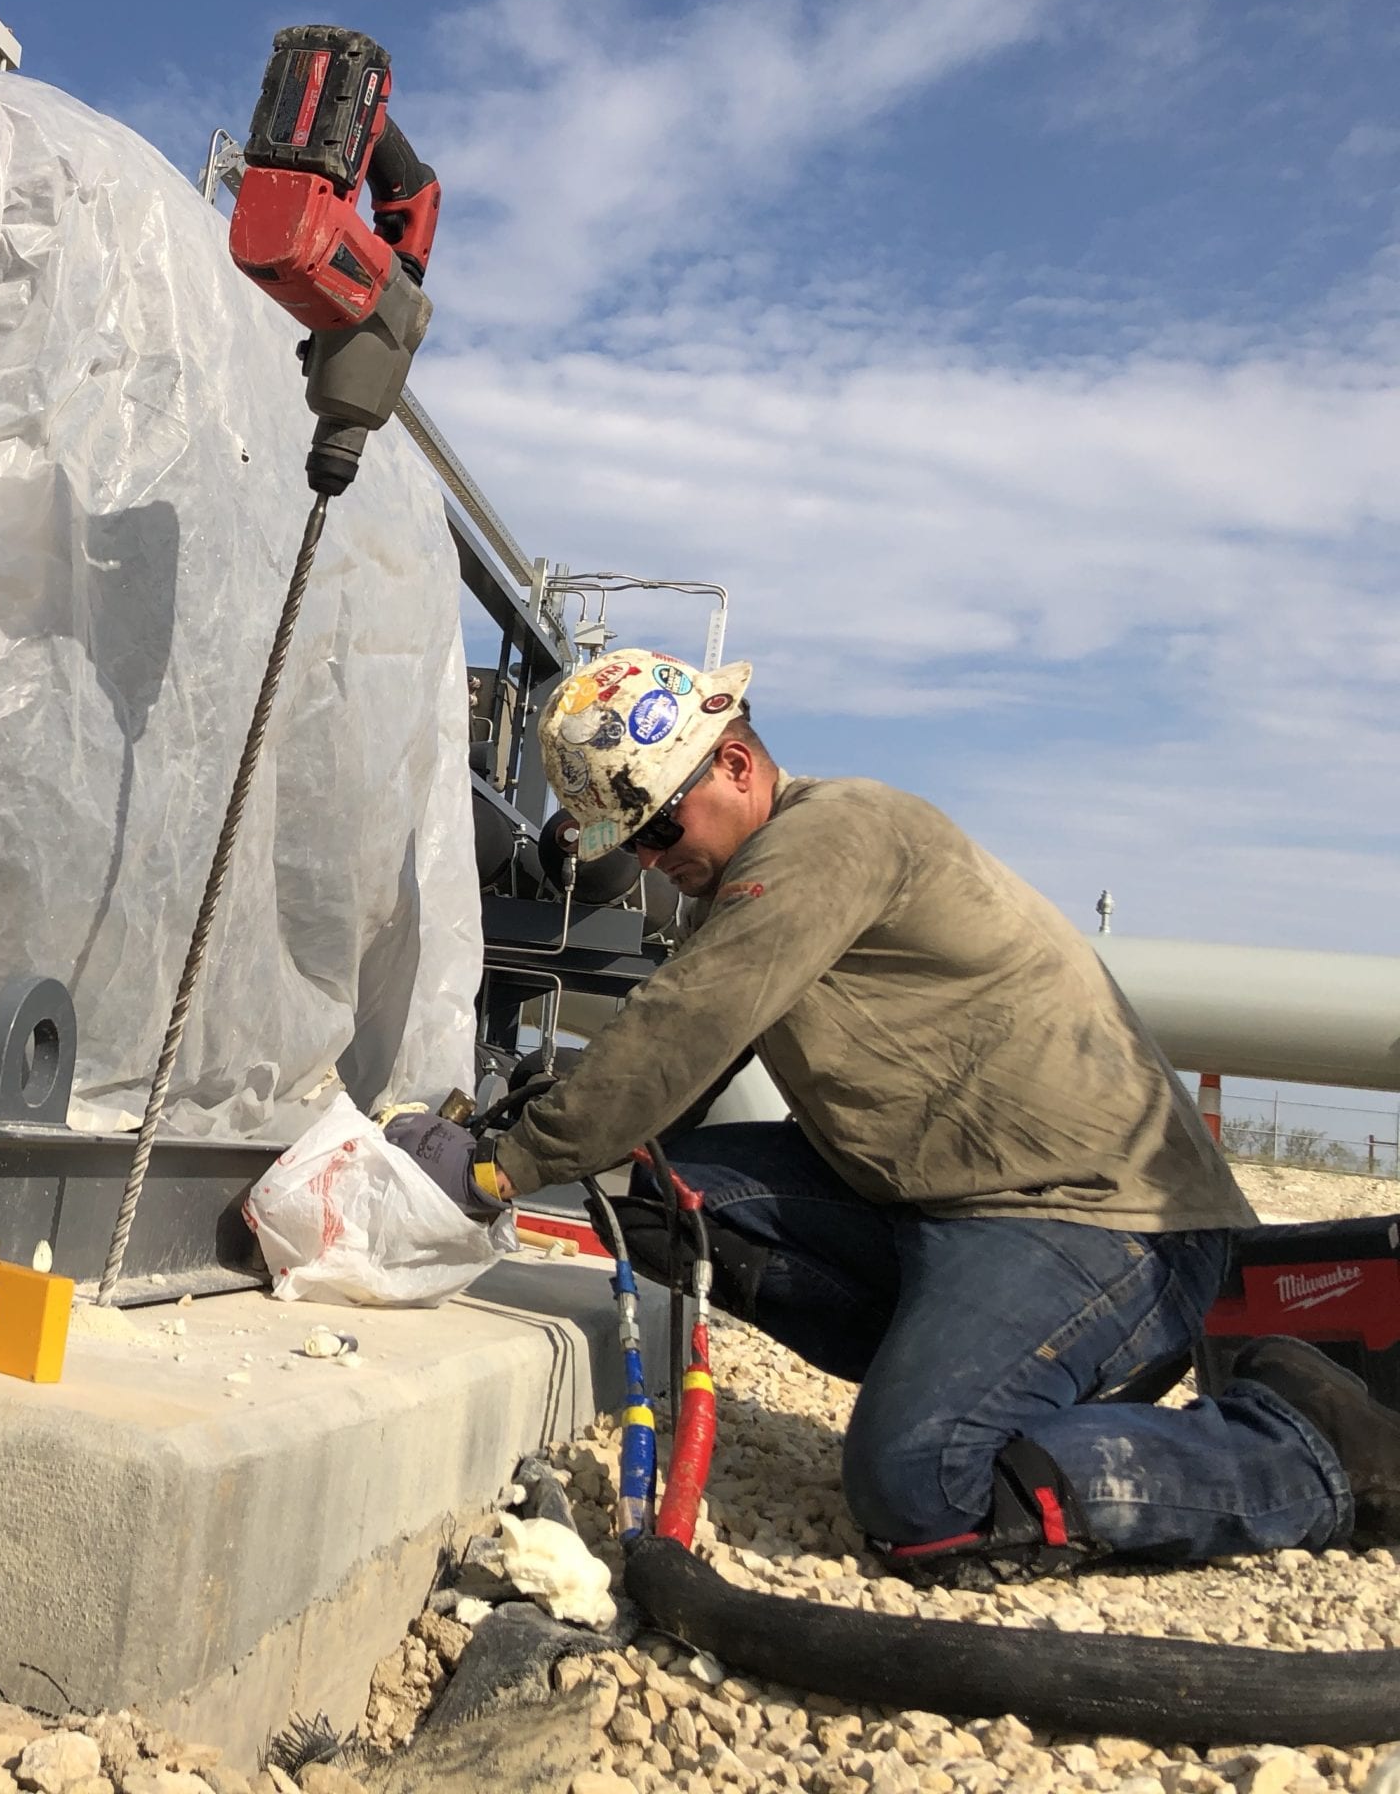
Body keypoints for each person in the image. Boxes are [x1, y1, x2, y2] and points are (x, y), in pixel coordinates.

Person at [476, 646, 1398, 1581]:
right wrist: (555, 1136)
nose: (654, 859)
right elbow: (689, 1070)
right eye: (633, 843)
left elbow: (686, 1022)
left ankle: (1303, 1447)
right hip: (951, 1203)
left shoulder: (829, 837)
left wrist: (495, 1168)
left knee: (921, 1492)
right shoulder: (754, 881)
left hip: (1102, 1221)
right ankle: (994, 1380)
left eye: (664, 826)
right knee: (665, 1202)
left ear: (738, 764)